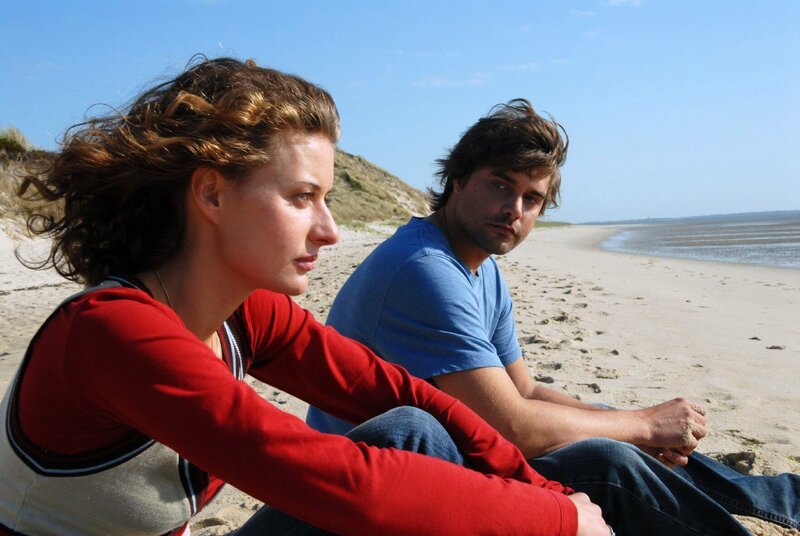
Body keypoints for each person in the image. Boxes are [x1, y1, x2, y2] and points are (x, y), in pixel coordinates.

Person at [0, 59, 612, 535]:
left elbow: (404, 393)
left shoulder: (243, 313)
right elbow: (341, 482)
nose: (329, 230)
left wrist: (548, 493)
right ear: (211, 194)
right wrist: (559, 521)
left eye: (326, 199)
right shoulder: (112, 333)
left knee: (413, 429)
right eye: (301, 198)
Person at [307, 99, 800, 534]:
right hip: (379, 488)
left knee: (607, 423)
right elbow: (513, 426)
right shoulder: (423, 268)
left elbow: (524, 391)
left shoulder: (479, 267)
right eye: (500, 185)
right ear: (458, 181)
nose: (513, 209)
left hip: (437, 460)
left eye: (532, 198)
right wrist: (645, 426)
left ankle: (783, 499)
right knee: (607, 459)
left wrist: (634, 424)